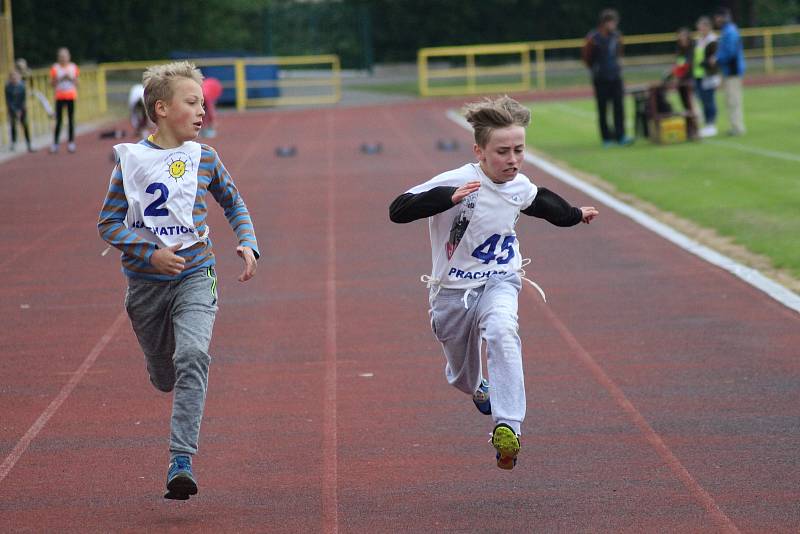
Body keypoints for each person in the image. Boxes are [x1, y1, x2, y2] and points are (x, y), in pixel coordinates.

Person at [388, 96, 599, 470]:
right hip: (452, 292)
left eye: (519, 150)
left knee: (503, 331)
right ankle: (479, 388)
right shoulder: (457, 180)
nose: (513, 159)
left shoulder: (519, 185)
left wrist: (574, 215)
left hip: (500, 280)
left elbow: (541, 203)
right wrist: (445, 198)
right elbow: (398, 209)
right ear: (479, 152)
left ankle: (508, 426)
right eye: (503, 152)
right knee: (462, 377)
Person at [97, 61, 259, 500]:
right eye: (193, 102)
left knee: (192, 355)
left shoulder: (205, 156)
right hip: (146, 286)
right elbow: (108, 224)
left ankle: (181, 460)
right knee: (165, 373)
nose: (202, 110)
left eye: (202, 103)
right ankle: (158, 365)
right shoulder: (130, 162)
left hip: (196, 273)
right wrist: (149, 252)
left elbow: (234, 202)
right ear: (162, 109)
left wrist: (247, 242)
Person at [581, 8, 633, 146]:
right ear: (605, 23)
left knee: (619, 106)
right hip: (600, 78)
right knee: (603, 108)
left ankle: (620, 135)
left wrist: (618, 66)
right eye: (612, 23)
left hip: (615, 76)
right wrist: (596, 69)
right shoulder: (593, 38)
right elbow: (586, 57)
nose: (614, 26)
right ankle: (606, 138)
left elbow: (619, 53)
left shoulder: (617, 36)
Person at [713, 7, 746, 136]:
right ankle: (734, 126)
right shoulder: (726, 31)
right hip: (728, 70)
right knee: (729, 100)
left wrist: (717, 59)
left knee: (734, 100)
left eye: (718, 17)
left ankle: (737, 127)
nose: (716, 20)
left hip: (733, 70)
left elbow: (730, 52)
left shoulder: (730, 31)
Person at [693, 16, 720, 138]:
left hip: (709, 75)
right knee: (702, 99)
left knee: (709, 100)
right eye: (699, 27)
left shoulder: (713, 40)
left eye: (702, 27)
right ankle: (706, 123)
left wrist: (708, 62)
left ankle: (711, 124)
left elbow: (714, 58)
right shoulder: (698, 40)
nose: (700, 29)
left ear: (708, 27)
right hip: (698, 75)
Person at [50, 47, 79, 153]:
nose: (63, 58)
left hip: (70, 96)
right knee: (59, 121)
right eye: (61, 56)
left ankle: (71, 142)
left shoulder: (73, 67)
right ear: (58, 58)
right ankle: (55, 143)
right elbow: (52, 83)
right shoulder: (55, 68)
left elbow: (77, 82)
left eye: (65, 56)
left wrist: (70, 78)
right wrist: (61, 78)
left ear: (68, 57)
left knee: (71, 120)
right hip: (59, 97)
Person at [4, 69, 35, 152]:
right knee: (13, 125)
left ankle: (29, 143)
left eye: (16, 77)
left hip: (22, 108)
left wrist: (21, 110)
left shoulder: (22, 85)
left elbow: (23, 99)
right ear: (10, 78)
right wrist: (14, 110)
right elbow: (8, 100)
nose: (14, 79)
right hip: (12, 109)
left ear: (19, 77)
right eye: (12, 77)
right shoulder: (8, 87)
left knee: (25, 125)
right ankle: (13, 143)